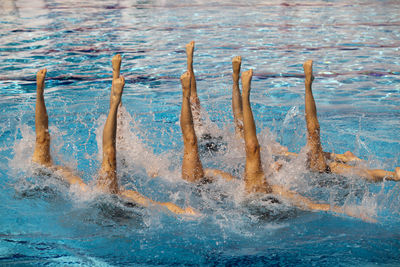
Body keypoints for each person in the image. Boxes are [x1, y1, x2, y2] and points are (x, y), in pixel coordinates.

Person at [180, 70, 372, 221]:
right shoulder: (230, 180)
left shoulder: (277, 189)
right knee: (245, 147)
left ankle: (242, 92)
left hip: (256, 201)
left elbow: (316, 206)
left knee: (248, 149)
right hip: (246, 198)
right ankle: (243, 93)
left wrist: (349, 212)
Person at [32, 65, 195, 215]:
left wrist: (183, 213)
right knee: (106, 156)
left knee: (108, 158)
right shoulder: (99, 192)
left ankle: (115, 99)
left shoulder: (112, 194)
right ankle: (114, 101)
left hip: (102, 203)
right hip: (97, 202)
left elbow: (162, 206)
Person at [231, 57, 399, 181]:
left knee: (313, 139)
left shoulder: (253, 155)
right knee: (314, 140)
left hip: (313, 171)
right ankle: (348, 158)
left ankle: (307, 85)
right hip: (315, 173)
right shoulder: (269, 160)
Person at [303, 60, 399, 181]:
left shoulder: (306, 165)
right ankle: (393, 176)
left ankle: (307, 85)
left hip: (320, 172)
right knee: (365, 174)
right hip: (327, 172)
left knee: (313, 134)